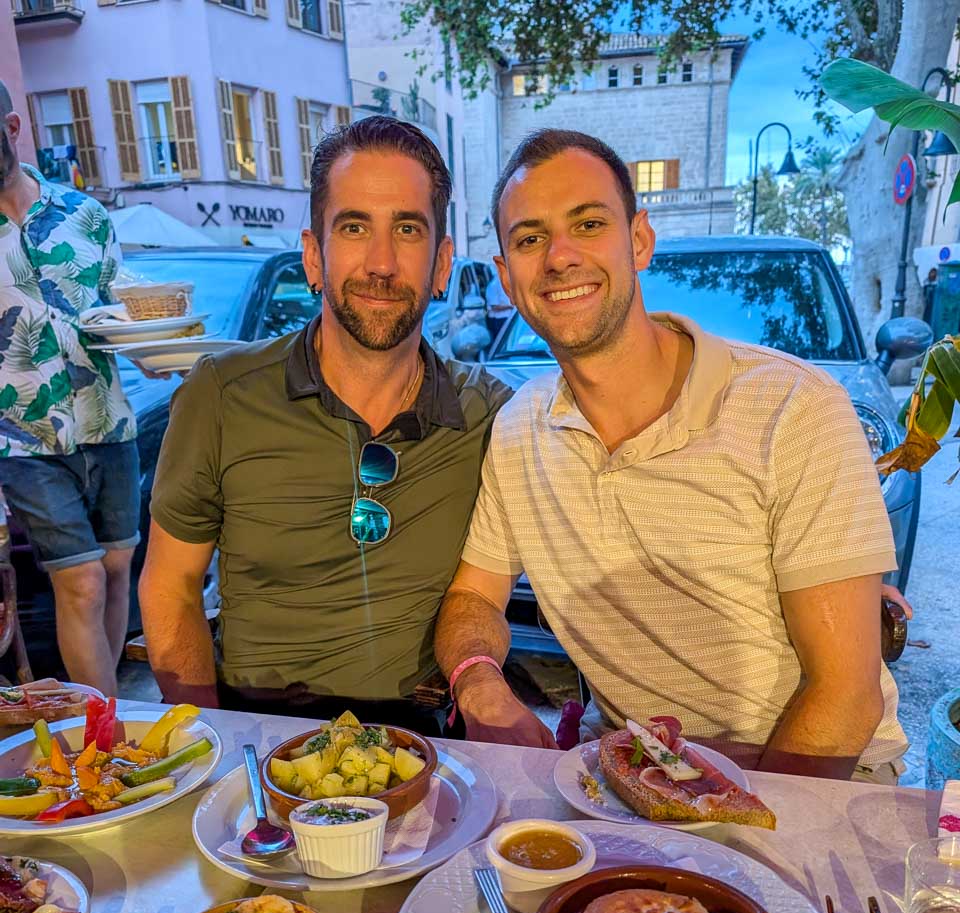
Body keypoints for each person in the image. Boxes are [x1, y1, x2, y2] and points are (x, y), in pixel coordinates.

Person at [434, 128, 909, 783]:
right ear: (507, 278)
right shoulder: (520, 431)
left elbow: (846, 699)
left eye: (588, 223)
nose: (560, 256)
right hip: (634, 771)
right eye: (530, 238)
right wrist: (479, 683)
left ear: (639, 241)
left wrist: (733, 833)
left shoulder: (793, 406)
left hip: (818, 778)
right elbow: (473, 599)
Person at [140, 117, 511, 734]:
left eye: (408, 229)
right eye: (355, 227)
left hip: (425, 746)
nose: (382, 263)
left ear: (442, 263)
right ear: (315, 255)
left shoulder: (491, 416)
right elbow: (171, 586)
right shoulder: (221, 395)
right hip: (255, 733)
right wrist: (211, 741)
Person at [0, 82, 140, 695]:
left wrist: (151, 343)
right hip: (24, 440)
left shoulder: (85, 214)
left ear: (9, 128)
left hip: (108, 420)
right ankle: (110, 738)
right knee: (80, 580)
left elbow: (120, 304)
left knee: (114, 573)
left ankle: (103, 723)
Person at [484, 269, 513, 346]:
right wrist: (511, 307)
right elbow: (495, 307)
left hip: (508, 318)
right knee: (501, 344)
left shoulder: (507, 283)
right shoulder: (493, 285)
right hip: (499, 320)